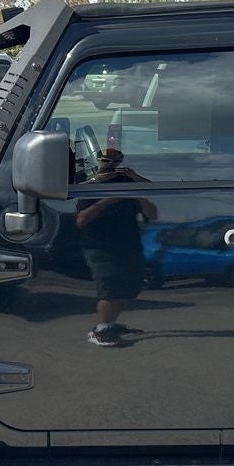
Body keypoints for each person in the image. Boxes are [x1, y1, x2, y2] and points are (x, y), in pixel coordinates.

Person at [75, 148, 157, 347]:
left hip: (128, 243)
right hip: (100, 245)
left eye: (115, 163)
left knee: (132, 284)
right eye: (106, 162)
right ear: (98, 161)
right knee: (111, 286)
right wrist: (108, 199)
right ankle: (101, 330)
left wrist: (133, 179)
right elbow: (81, 220)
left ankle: (111, 324)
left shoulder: (129, 185)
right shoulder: (89, 187)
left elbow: (152, 213)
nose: (111, 166)